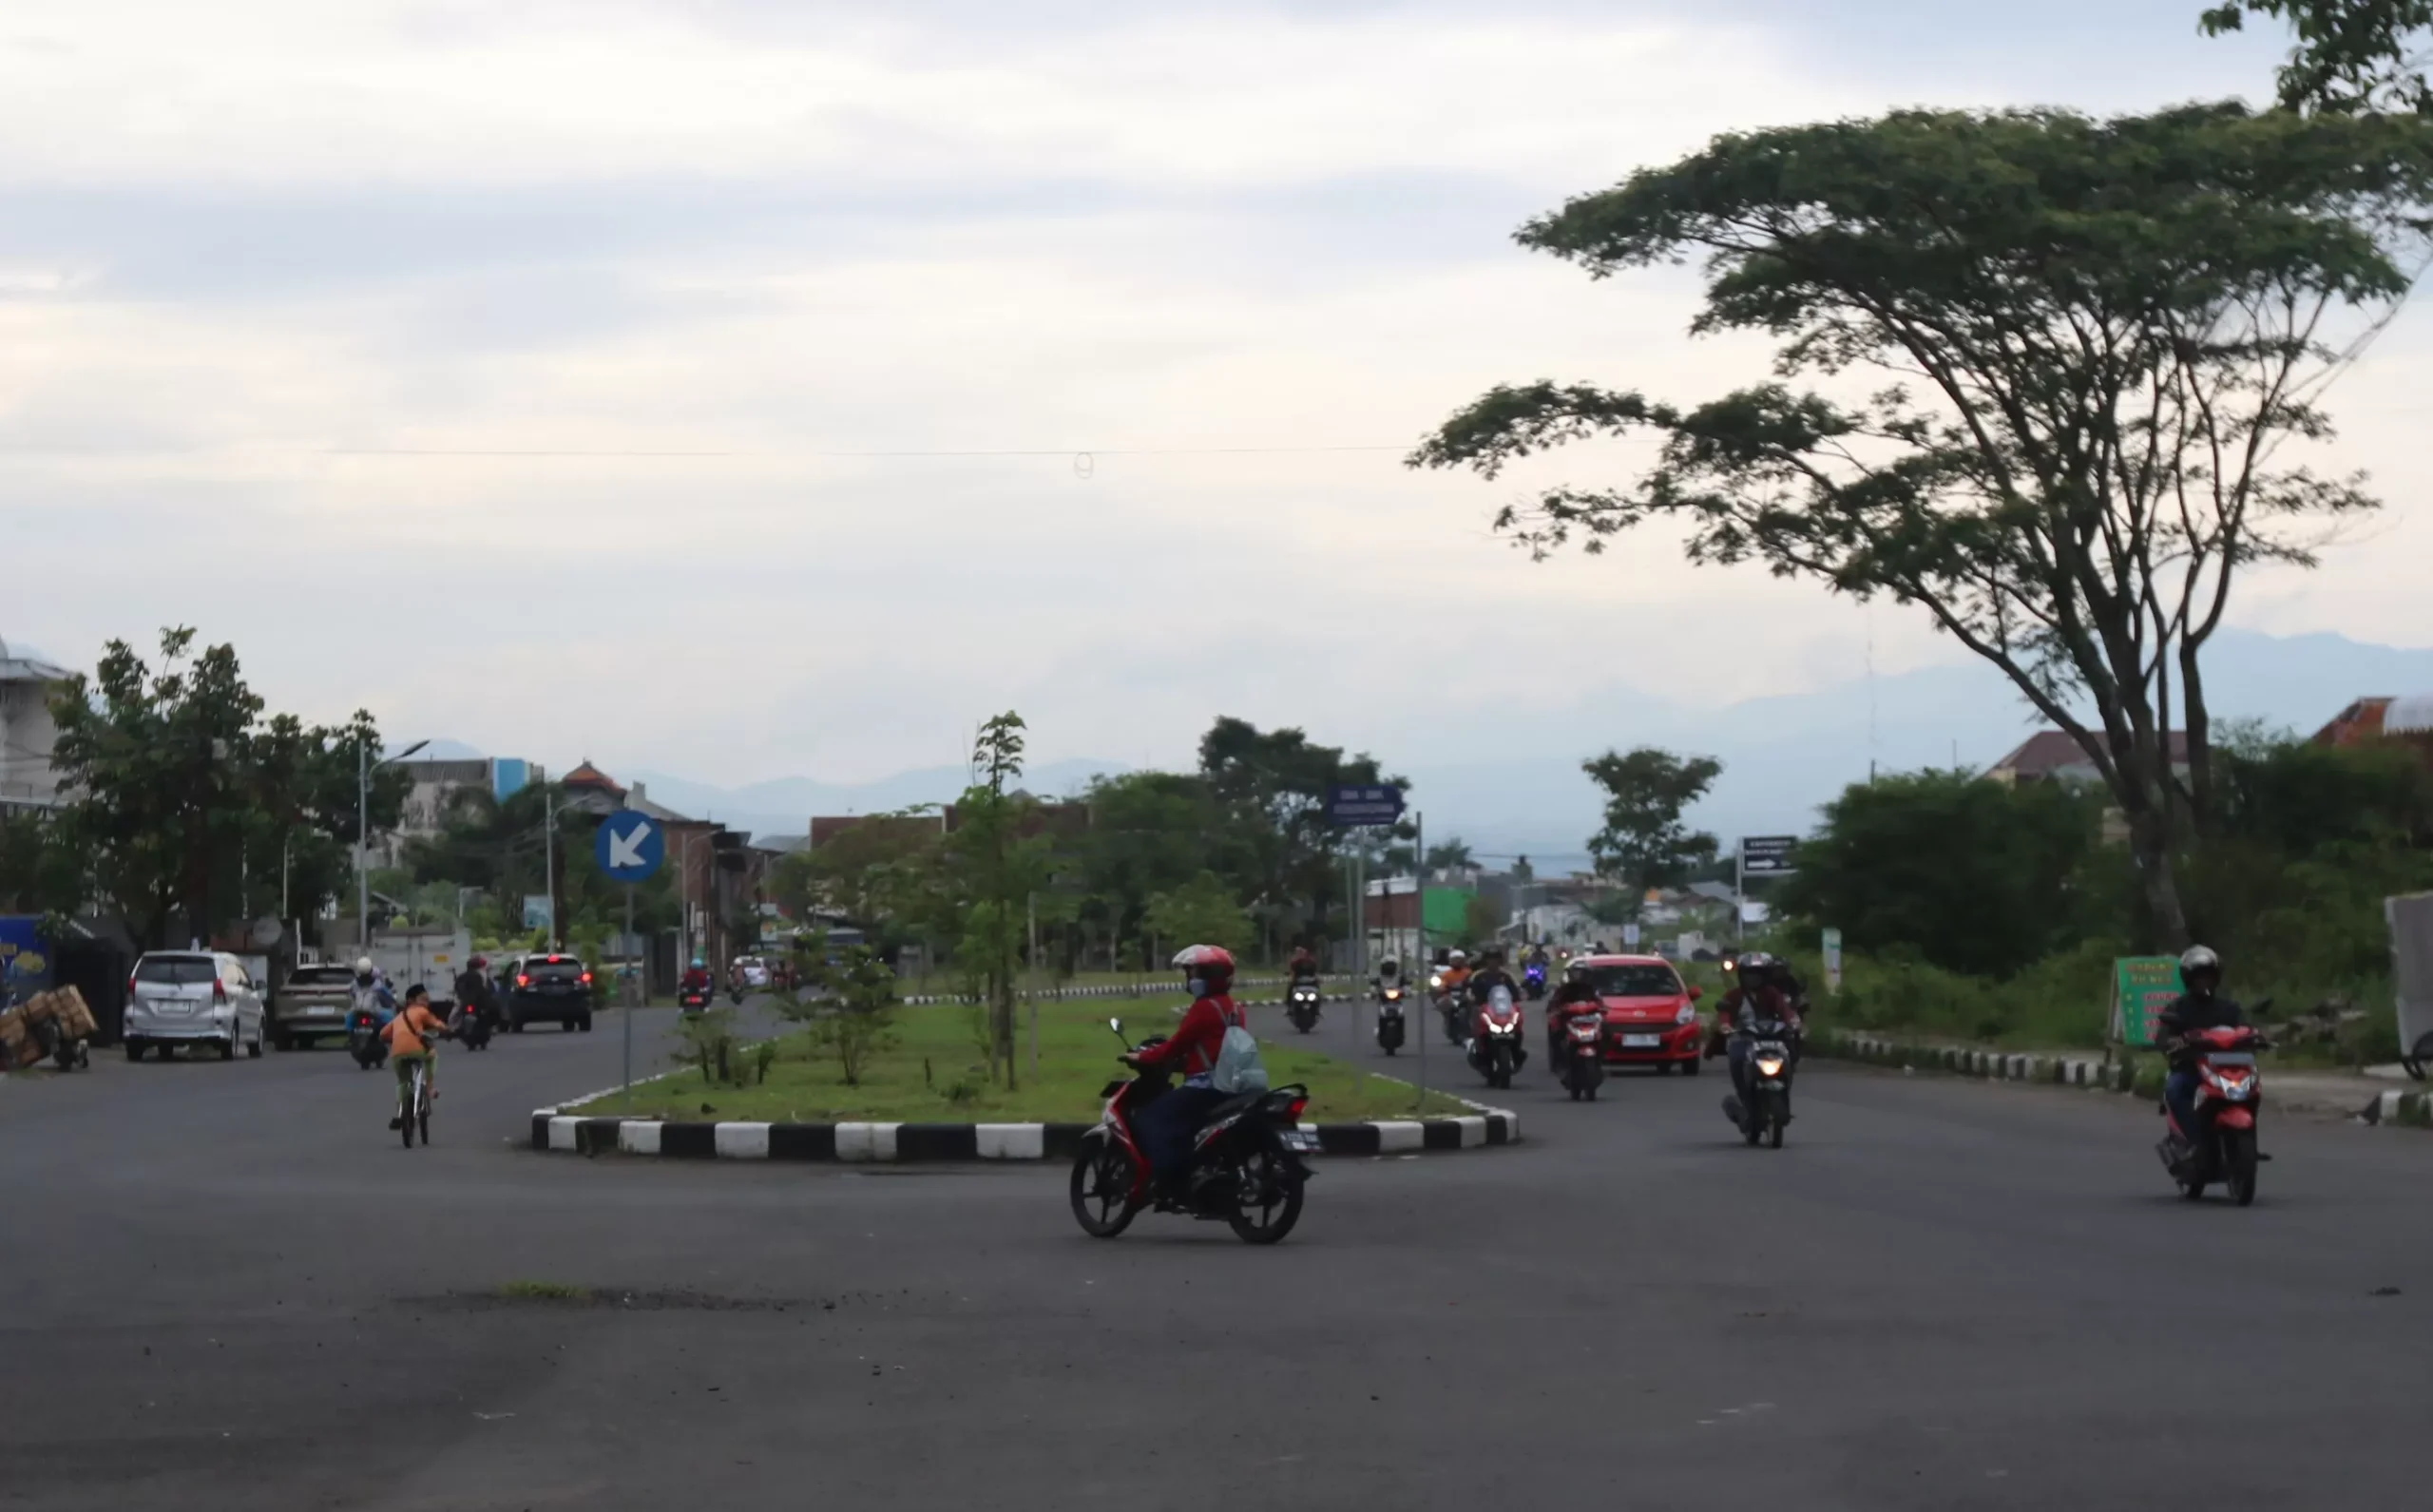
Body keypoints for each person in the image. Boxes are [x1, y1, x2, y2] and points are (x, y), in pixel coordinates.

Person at [1128, 944, 1246, 1199]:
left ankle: (1171, 1179)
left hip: (1205, 1086)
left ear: (1207, 977)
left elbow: (1174, 1046)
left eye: (1193, 973)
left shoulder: (1203, 1009)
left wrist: (1140, 1056)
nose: (1189, 979)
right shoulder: (1235, 1009)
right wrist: (1186, 1063)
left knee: (1151, 1118)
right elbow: (1212, 1046)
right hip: (1233, 1084)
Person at [2156, 945, 2243, 1151]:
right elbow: (2162, 1037)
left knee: (2250, 1089)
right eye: (2199, 976)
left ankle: (2240, 1138)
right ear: (2189, 979)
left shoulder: (2229, 1008)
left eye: (2208, 976)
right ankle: (2194, 1140)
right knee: (2174, 1090)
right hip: (2190, 1069)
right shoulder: (2178, 1008)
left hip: (2225, 1069)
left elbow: (2245, 1027)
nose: (2204, 981)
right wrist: (2173, 1042)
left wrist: (2257, 1036)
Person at [1717, 951, 1799, 1131]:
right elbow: (1725, 1014)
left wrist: (1792, 1021)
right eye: (1749, 974)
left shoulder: (1772, 993)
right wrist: (1726, 1026)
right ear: (1742, 976)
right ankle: (1745, 1099)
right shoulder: (1734, 995)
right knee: (1738, 1059)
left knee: (1789, 1057)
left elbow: (1785, 1010)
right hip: (1742, 1038)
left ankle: (1784, 1094)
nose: (1753, 978)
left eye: (1757, 974)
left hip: (1770, 1038)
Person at [383, 985, 450, 1130]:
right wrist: (448, 1030)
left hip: (398, 1053)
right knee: (432, 1055)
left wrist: (395, 1039)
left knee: (402, 1082)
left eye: (427, 1000)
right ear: (411, 1000)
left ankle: (401, 1113)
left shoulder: (399, 1016)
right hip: (417, 1051)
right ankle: (429, 1089)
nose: (426, 1003)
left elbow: (383, 1034)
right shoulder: (422, 1012)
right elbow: (437, 1024)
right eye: (423, 999)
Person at [451, 955, 494, 1029]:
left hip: (472, 1002)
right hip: (473, 1002)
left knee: (454, 1016)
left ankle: (452, 1028)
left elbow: (457, 989)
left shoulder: (462, 976)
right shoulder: (482, 975)